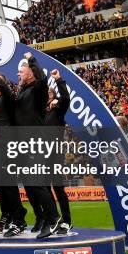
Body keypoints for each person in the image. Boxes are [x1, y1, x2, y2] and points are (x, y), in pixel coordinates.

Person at [12, 52, 61, 238]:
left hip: (35, 141)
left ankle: (54, 218)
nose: (18, 74)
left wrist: (31, 59)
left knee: (38, 183)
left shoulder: (38, 88)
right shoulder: (22, 90)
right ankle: (44, 218)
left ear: (31, 73)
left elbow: (42, 77)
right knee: (31, 184)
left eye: (21, 71)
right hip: (24, 143)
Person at [0, 68, 28, 237]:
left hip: (8, 147)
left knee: (9, 186)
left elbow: (6, 91)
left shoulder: (7, 98)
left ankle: (20, 220)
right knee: (0, 187)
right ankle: (10, 215)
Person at [44, 69, 73, 234]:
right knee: (45, 187)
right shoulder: (41, 112)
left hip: (55, 151)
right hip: (42, 152)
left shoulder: (58, 110)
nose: (47, 94)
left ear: (53, 95)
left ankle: (67, 221)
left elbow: (66, 98)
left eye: (49, 92)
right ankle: (54, 219)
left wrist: (58, 80)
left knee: (58, 187)